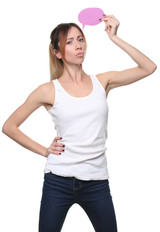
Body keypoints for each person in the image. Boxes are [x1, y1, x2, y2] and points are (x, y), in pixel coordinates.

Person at [2, 14, 157, 232]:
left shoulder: (103, 81)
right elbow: (9, 126)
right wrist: (45, 151)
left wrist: (114, 38)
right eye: (70, 42)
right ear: (57, 53)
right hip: (58, 182)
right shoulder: (48, 90)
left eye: (80, 39)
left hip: (97, 182)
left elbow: (148, 67)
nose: (78, 45)